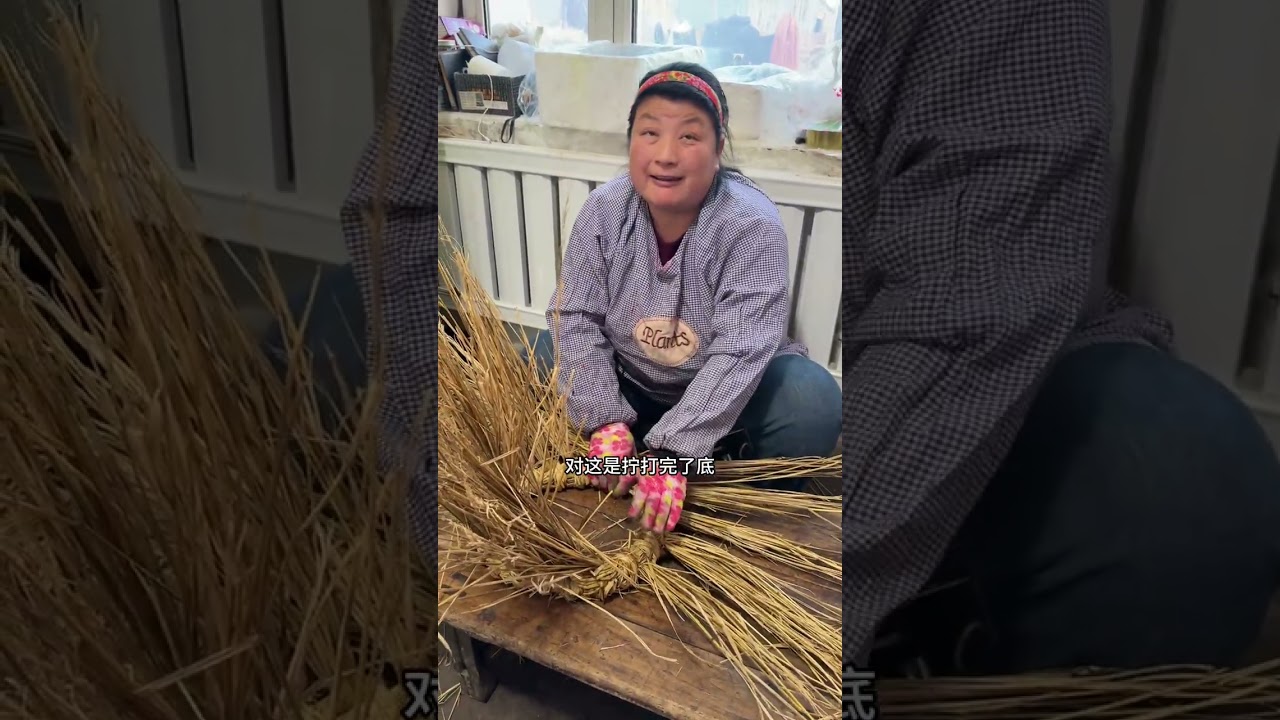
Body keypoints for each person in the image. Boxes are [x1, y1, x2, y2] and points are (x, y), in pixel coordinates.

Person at [848, 0, 1280, 675]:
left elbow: (972, 302)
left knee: (1172, 488)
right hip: (724, 429)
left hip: (920, 389)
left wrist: (796, 587)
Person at [530, 62, 841, 535]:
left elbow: (742, 348)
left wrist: (677, 449)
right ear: (631, 140)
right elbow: (574, 314)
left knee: (812, 402)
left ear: (718, 149)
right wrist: (604, 422)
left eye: (690, 137)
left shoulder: (750, 223)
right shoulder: (604, 210)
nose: (666, 155)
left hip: (726, 398)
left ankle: (675, 462)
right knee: (541, 350)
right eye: (649, 132)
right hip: (632, 384)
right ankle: (633, 453)